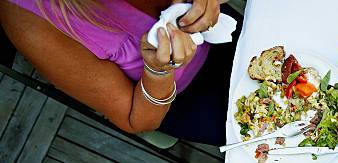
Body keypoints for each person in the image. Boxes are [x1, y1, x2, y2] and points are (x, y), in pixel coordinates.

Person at [0, 0, 240, 145]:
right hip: (186, 100)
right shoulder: (30, 20)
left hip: (228, 27)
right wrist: (158, 72)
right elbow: (136, 119)